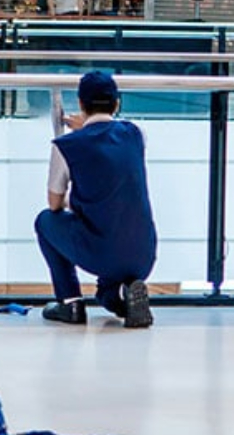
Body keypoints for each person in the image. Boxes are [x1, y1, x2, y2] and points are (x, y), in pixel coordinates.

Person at [34, 71, 157, 329]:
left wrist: (75, 201)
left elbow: (54, 204)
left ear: (81, 104)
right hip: (143, 254)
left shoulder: (66, 146)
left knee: (45, 221)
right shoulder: (136, 134)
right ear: (117, 103)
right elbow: (106, 142)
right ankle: (118, 298)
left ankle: (71, 303)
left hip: (100, 252)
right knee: (113, 227)